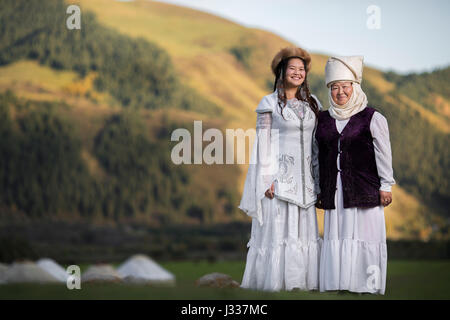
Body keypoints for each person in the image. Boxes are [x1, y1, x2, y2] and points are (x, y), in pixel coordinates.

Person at [238, 47, 323, 292]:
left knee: (303, 235)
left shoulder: (313, 103)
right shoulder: (269, 103)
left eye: (302, 69)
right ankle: (274, 284)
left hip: (306, 183)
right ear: (281, 72)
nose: (298, 73)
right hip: (279, 180)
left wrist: (317, 179)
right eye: (292, 68)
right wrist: (266, 179)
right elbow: (263, 144)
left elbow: (316, 144)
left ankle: (301, 285)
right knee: (279, 235)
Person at [315, 56, 395, 295]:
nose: (340, 92)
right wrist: (319, 187)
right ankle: (340, 284)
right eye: (335, 87)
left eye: (345, 86)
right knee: (337, 234)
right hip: (334, 190)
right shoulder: (323, 120)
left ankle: (365, 285)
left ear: (355, 87)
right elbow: (317, 156)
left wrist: (386, 185)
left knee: (365, 235)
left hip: (365, 188)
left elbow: (383, 153)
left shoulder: (372, 117)